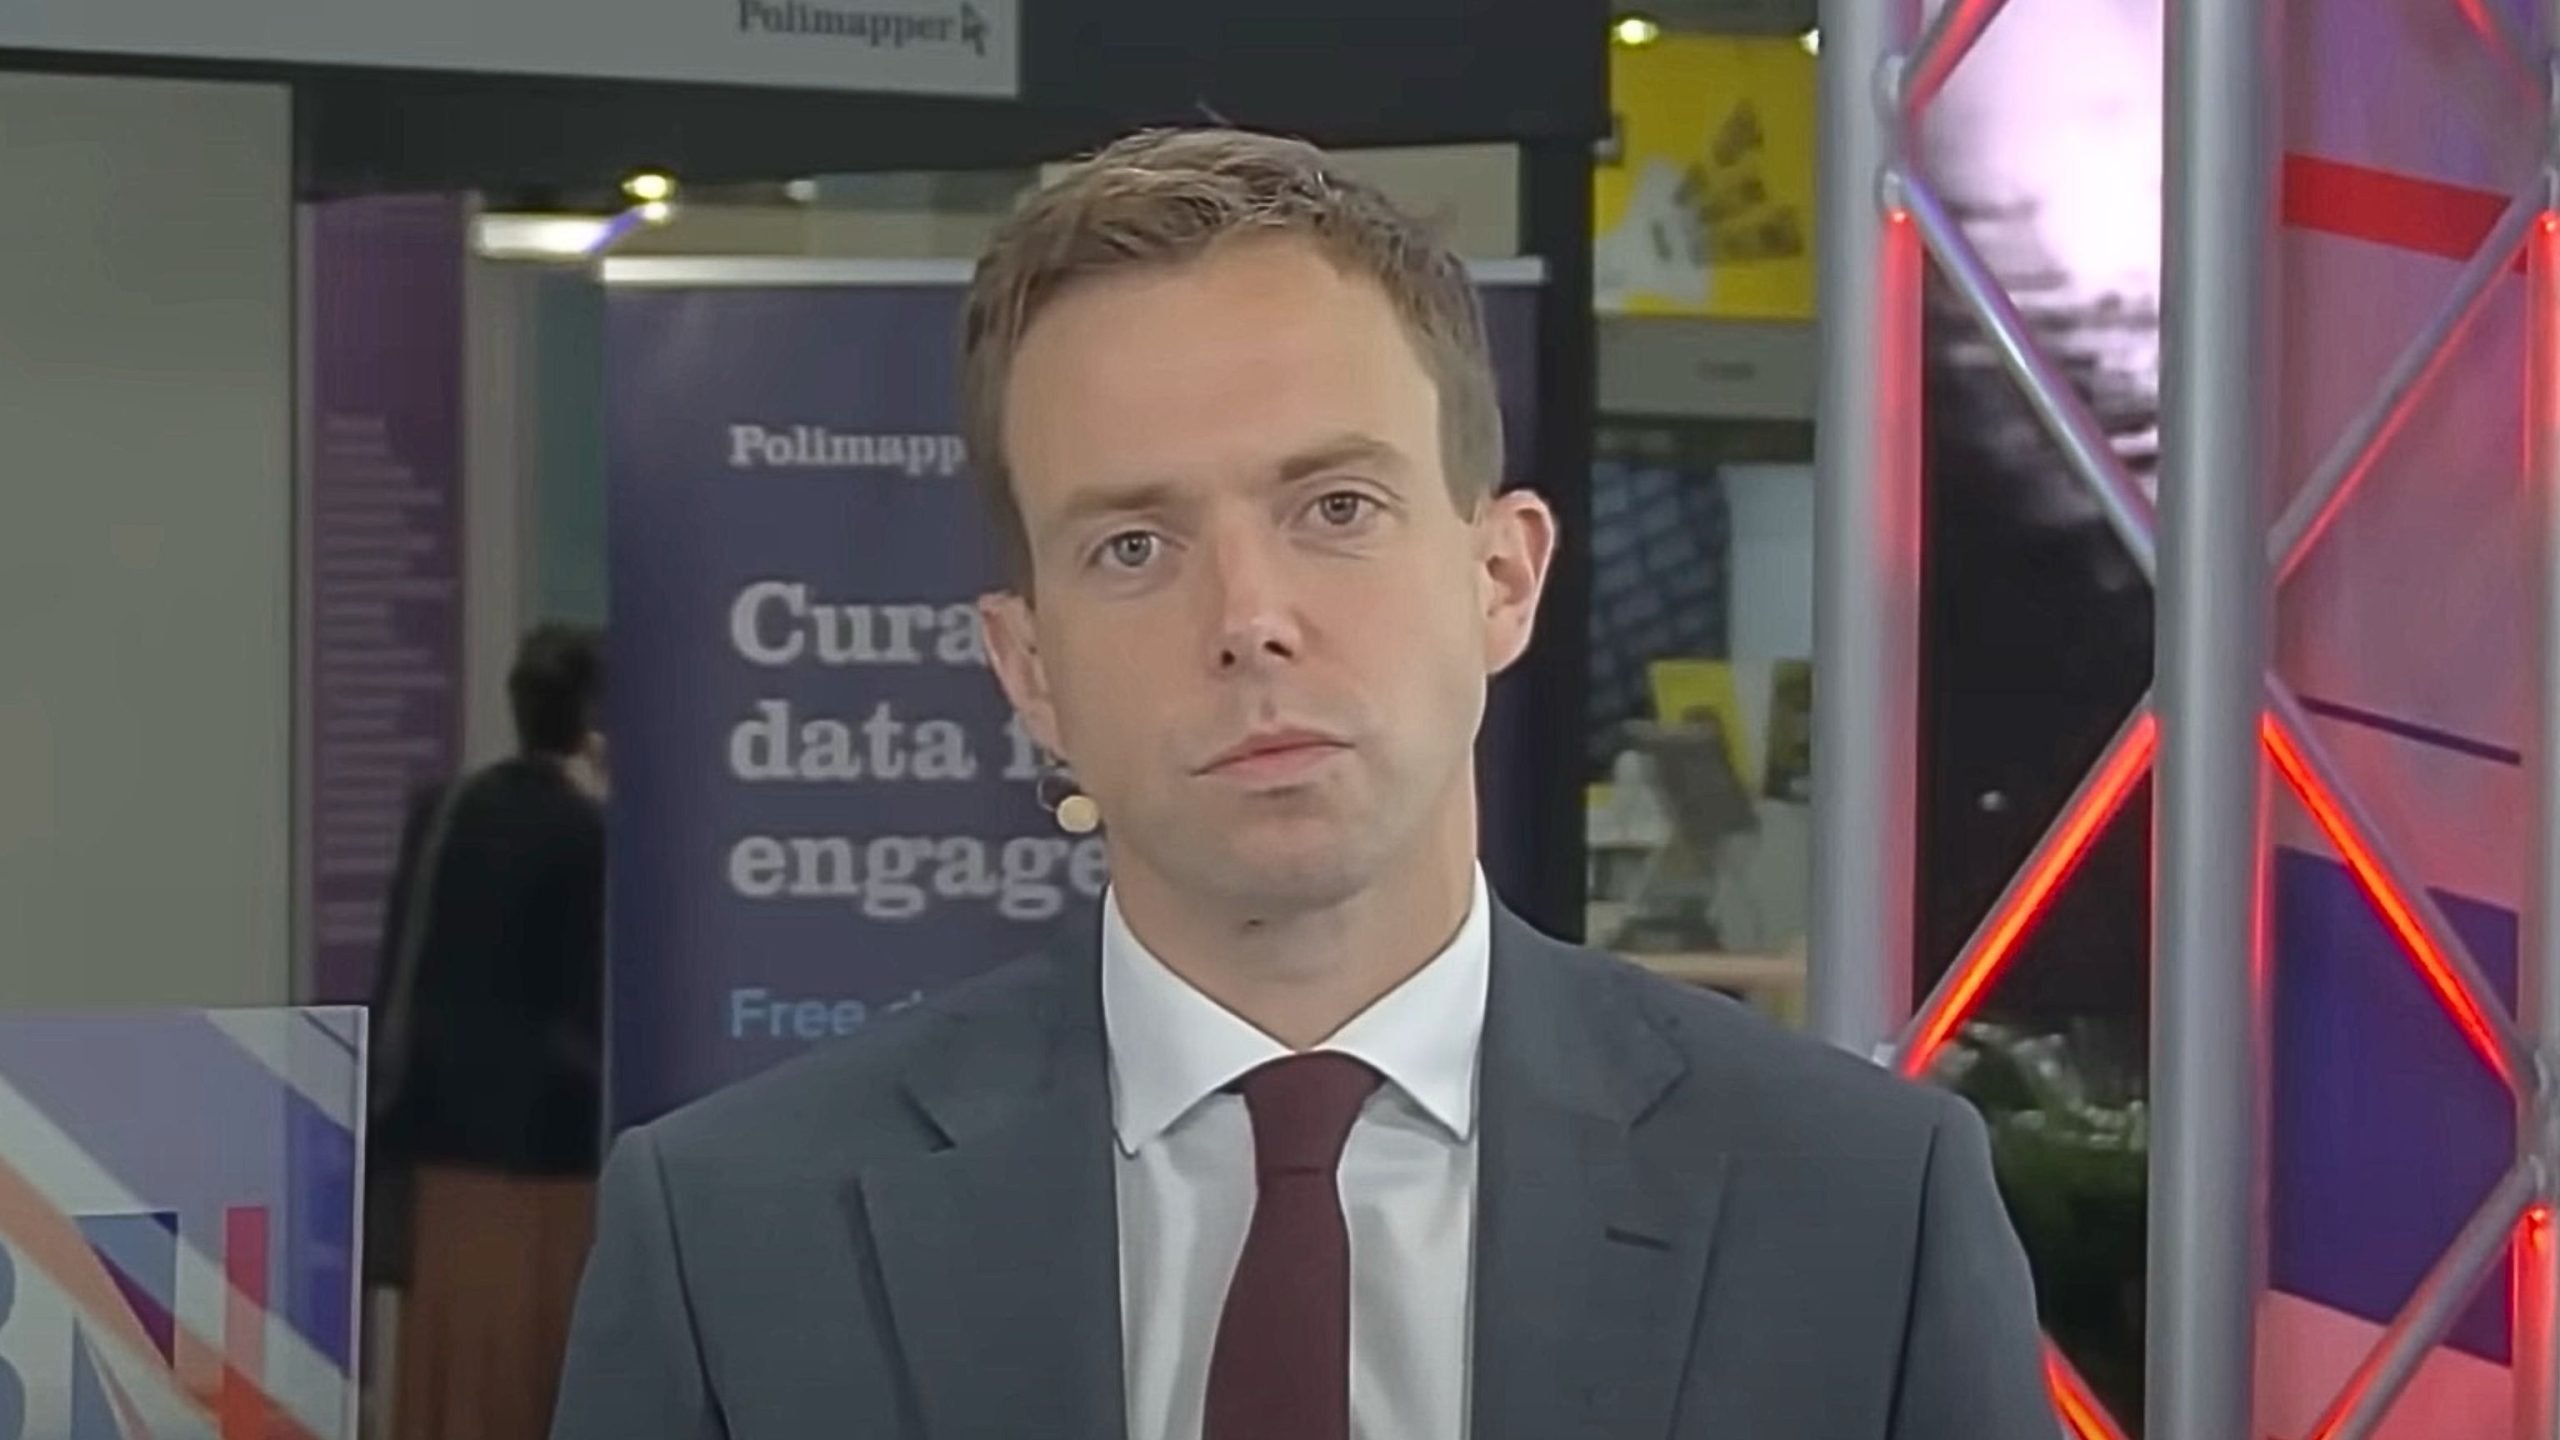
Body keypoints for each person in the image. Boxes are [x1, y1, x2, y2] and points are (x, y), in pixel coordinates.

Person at [549, 129, 2053, 1440]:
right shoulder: (739, 1237)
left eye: (1336, 506)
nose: (1247, 616)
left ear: (1503, 577)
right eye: (1132, 546)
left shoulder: (1863, 1210)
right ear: (1029, 671)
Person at [371, 622, 608, 1440]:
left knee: (446, 1386)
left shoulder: (445, 809)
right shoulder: (587, 835)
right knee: (526, 1381)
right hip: (547, 1167)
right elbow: (588, 1004)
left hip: (440, 1155)